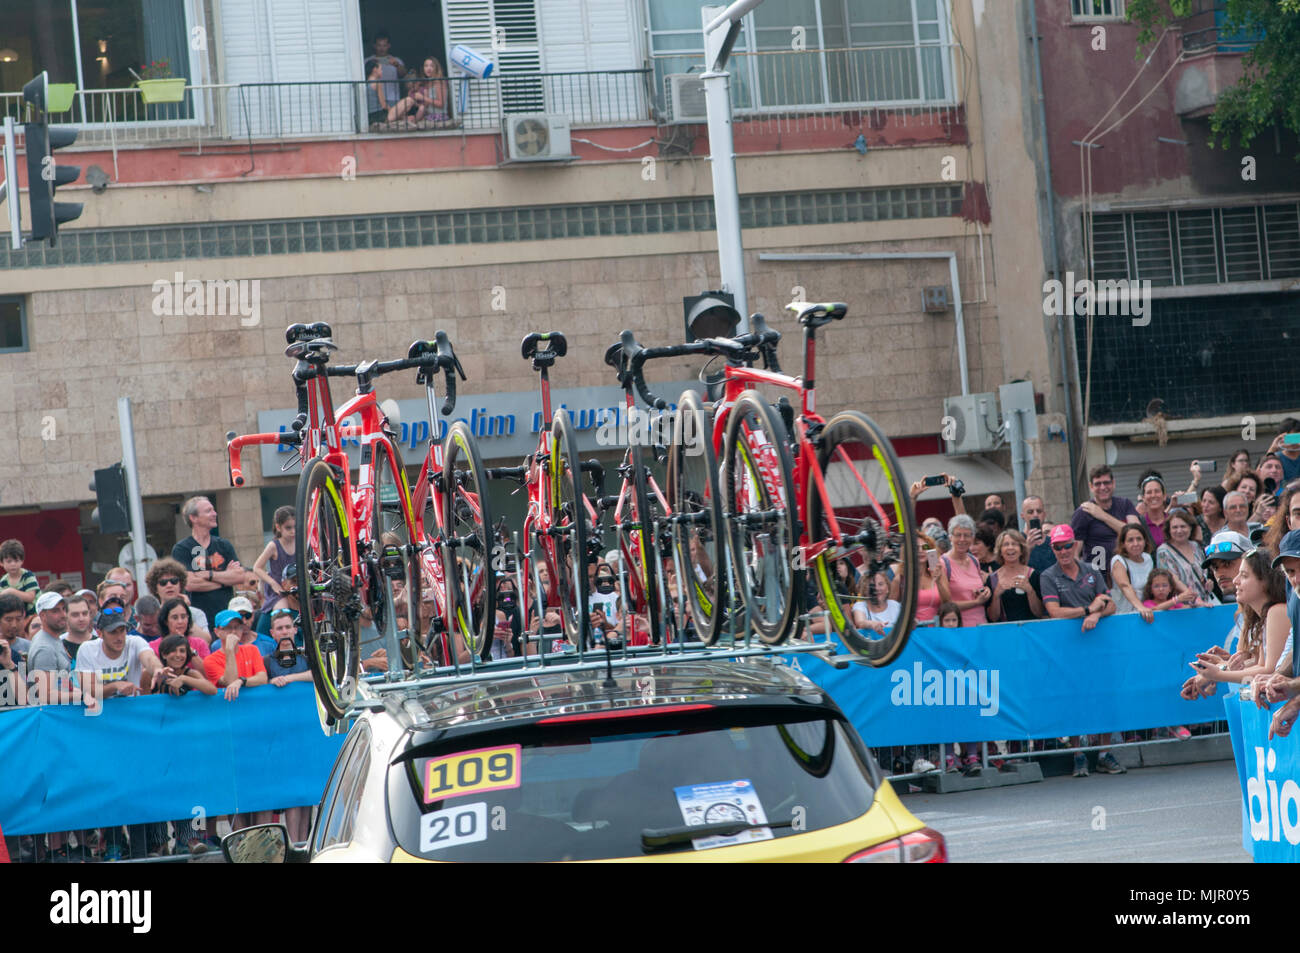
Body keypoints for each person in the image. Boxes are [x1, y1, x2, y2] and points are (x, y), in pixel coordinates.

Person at [1038, 525, 1121, 776]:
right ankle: (1078, 755)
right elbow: (1054, 612)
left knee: (1103, 695)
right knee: (1073, 699)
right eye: (1057, 547)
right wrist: (1087, 610)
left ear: (1075, 545)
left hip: (1096, 645)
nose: (1063, 551)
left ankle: (1105, 754)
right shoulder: (1048, 576)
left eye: (1066, 545)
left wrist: (1096, 613)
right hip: (1068, 647)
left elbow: (1110, 605)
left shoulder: (1091, 570)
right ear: (1052, 549)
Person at [1188, 550, 1288, 689]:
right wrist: (1224, 667)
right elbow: (1259, 667)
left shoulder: (1277, 611)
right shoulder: (1265, 616)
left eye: (1244, 575)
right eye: (1215, 568)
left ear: (1265, 581)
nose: (1236, 581)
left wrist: (1218, 674)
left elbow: (1270, 671)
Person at [172, 496, 243, 630]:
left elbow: (239, 576)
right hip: (199, 621)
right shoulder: (182, 549)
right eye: (208, 511)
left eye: (214, 510)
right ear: (193, 518)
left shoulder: (224, 545)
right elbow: (190, 584)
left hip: (226, 618)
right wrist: (225, 579)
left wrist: (208, 575)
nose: (214, 514)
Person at [1070, 465, 1141, 582]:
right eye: (1098, 484)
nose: (1103, 487)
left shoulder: (1125, 504)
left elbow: (1137, 532)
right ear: (1091, 486)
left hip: (1129, 573)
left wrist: (1102, 516)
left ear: (1113, 483)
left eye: (1106, 482)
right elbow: (1074, 552)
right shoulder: (1083, 512)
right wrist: (1082, 578)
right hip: (1098, 577)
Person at [75, 606, 163, 699]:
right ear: (100, 633)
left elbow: (149, 658)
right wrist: (115, 686)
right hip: (100, 710)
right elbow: (88, 691)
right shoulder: (87, 649)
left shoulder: (135, 642)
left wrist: (157, 669)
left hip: (130, 707)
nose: (119, 637)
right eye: (113, 632)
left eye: (122, 631)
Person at [202, 611, 269, 700]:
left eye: (237, 627)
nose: (234, 631)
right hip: (228, 708)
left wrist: (241, 681)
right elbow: (230, 682)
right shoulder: (210, 660)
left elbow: (262, 678)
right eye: (228, 628)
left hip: (252, 704)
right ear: (217, 632)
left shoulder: (252, 649)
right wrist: (230, 650)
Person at [1156, 508, 1215, 604]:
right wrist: (1197, 600)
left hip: (1205, 603)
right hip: (1181, 606)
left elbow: (1203, 572)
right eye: (1175, 527)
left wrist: (1208, 584)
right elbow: (1173, 580)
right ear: (1169, 530)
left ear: (1190, 528)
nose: (1179, 531)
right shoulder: (1163, 551)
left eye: (1183, 526)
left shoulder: (1196, 546)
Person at [941, 515, 990, 628]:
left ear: (972, 538)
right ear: (950, 537)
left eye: (967, 535)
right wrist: (976, 602)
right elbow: (946, 603)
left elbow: (974, 590)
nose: (962, 539)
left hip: (981, 625)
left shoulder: (974, 560)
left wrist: (985, 592)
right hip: (959, 628)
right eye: (958, 535)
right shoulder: (943, 563)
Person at [253, 506, 296, 636]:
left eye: (295, 527)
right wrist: (273, 583)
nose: (293, 531)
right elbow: (257, 567)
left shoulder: (300, 542)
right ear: (278, 527)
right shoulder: (274, 545)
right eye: (288, 528)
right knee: (281, 613)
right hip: (280, 591)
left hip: (297, 589)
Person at [986, 529, 1044, 622]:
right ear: (1000, 551)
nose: (1010, 548)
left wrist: (1030, 591)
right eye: (1006, 544)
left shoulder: (1034, 575)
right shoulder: (993, 579)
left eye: (1014, 544)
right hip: (1005, 631)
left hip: (1029, 630)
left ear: (1021, 550)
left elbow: (1039, 613)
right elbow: (993, 618)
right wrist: (996, 595)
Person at [146, 558, 211, 634]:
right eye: (163, 582)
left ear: (180, 585)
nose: (169, 585)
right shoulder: (151, 616)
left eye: (174, 581)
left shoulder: (196, 613)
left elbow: (206, 641)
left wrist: (186, 611)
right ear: (155, 588)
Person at [147, 634, 216, 696]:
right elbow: (143, 703)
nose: (178, 655)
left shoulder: (190, 673)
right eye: (173, 650)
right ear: (164, 655)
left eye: (182, 651)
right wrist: (160, 685)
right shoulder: (149, 674)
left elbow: (213, 690)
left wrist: (183, 679)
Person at [1109, 524, 1155, 616]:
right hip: (1124, 614)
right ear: (1123, 544)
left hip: (1147, 612)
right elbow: (1125, 586)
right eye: (1130, 540)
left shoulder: (1148, 558)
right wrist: (1140, 607)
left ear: (1145, 541)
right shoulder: (1118, 560)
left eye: (1139, 539)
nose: (1136, 544)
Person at [914, 540, 951, 625]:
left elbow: (947, 602)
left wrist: (938, 581)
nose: (920, 550)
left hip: (936, 628)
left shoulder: (939, 573)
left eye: (925, 547)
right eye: (916, 548)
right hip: (912, 632)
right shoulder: (902, 578)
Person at [0, 539, 39, 615]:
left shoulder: (28, 576)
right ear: (1, 563)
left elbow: (31, 597)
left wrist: (11, 591)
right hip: (16, 615)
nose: (13, 564)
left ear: (22, 561)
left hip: (33, 615)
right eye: (9, 561)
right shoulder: (3, 581)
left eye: (16, 560)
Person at [409, 56, 449, 123]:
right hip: (429, 115)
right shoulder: (428, 83)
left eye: (432, 66)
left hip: (438, 116)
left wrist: (423, 97)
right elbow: (427, 105)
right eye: (426, 66)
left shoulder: (439, 82)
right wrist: (414, 103)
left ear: (436, 68)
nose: (428, 68)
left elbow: (441, 104)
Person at [1021, 495, 1055, 573]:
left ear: (1044, 514)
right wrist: (1027, 549)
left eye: (1039, 511)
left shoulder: (1053, 542)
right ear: (1022, 516)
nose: (1035, 515)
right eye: (1030, 512)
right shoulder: (1016, 542)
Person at [1134, 472, 1169, 547]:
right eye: (1149, 492)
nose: (1153, 495)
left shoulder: (1172, 521)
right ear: (1143, 498)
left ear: (1164, 496)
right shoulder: (1139, 525)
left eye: (1157, 491)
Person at [60, 593, 96, 660]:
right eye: (75, 615)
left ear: (89, 614)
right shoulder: (59, 647)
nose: (81, 619)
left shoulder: (101, 645)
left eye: (84, 613)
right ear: (65, 616)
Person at [1268, 420, 1300, 484]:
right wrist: (1272, 449)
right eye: (1289, 438)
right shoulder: (1276, 457)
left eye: (1295, 437)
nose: (1292, 442)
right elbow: (1260, 474)